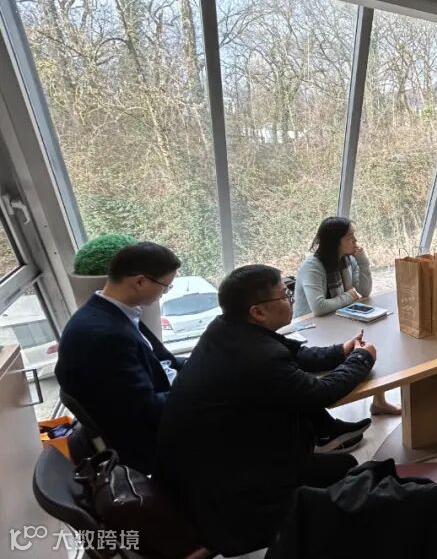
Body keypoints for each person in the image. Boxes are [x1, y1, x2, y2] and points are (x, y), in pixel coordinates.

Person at [158, 265, 378, 556]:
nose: (290, 299)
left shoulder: (226, 329)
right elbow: (321, 393)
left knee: (340, 465)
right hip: (231, 485)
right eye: (285, 295)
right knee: (345, 470)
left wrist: (341, 352)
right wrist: (361, 359)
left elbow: (292, 352)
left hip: (218, 460)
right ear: (258, 312)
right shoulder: (257, 357)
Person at [56, 242, 184, 474]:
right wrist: (197, 390)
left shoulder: (112, 311)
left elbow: (162, 361)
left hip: (159, 395)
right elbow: (144, 411)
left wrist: (204, 365)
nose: (164, 293)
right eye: (165, 287)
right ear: (140, 281)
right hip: (147, 439)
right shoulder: (104, 337)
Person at [294, 216, 399, 416]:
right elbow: (318, 307)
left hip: (337, 318)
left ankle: (379, 401)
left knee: (374, 339)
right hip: (312, 327)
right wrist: (349, 296)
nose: (355, 241)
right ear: (336, 240)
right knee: (362, 345)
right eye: (350, 237)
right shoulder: (312, 266)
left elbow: (364, 291)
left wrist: (362, 261)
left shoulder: (348, 260)